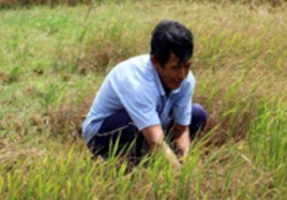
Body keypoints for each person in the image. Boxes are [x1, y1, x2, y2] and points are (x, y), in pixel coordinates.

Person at [81, 20, 207, 169]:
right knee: (131, 122)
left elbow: (181, 129)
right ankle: (133, 168)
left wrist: (185, 161)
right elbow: (155, 141)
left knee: (197, 114)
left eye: (186, 66)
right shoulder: (136, 81)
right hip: (104, 134)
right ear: (155, 62)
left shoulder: (187, 79)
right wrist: (179, 177)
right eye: (175, 68)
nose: (182, 75)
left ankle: (158, 161)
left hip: (151, 127)